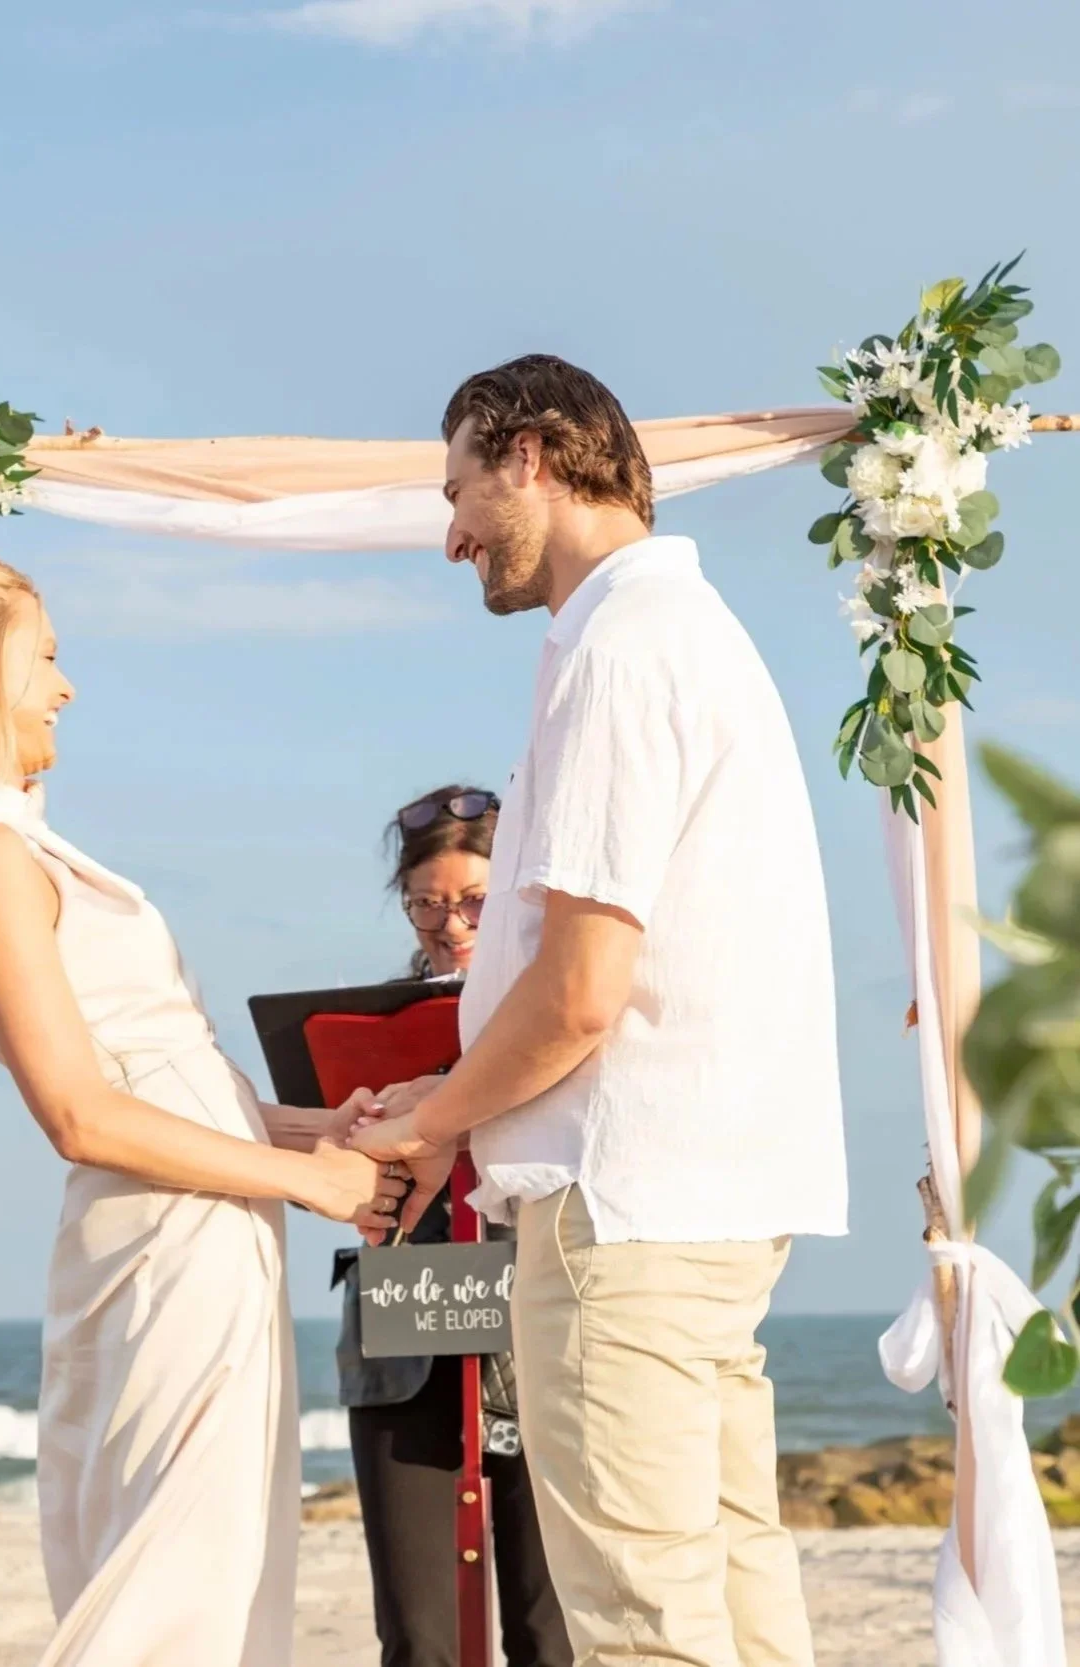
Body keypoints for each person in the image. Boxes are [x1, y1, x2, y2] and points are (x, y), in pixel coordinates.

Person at [0, 558, 406, 1667]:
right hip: (168, 1234)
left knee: (216, 1570)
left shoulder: (4, 843)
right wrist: (311, 1179)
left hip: (199, 1217)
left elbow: (163, 1073)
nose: (66, 687)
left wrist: (312, 1130)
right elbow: (78, 1110)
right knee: (172, 1590)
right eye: (44, 656)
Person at [351, 356, 848, 1667]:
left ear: (528, 457)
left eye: (456, 489)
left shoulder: (620, 649)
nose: (450, 531)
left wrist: (434, 1122)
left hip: (617, 1209)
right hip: (706, 1200)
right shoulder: (689, 634)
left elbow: (579, 990)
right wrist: (447, 1098)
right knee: (735, 1595)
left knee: (641, 1626)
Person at [333, 786, 570, 1667]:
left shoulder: (564, 1017)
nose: (450, 922)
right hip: (406, 1329)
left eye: (472, 900)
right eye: (427, 902)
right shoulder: (371, 1023)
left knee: (553, 1631)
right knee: (420, 1635)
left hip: (541, 1323)